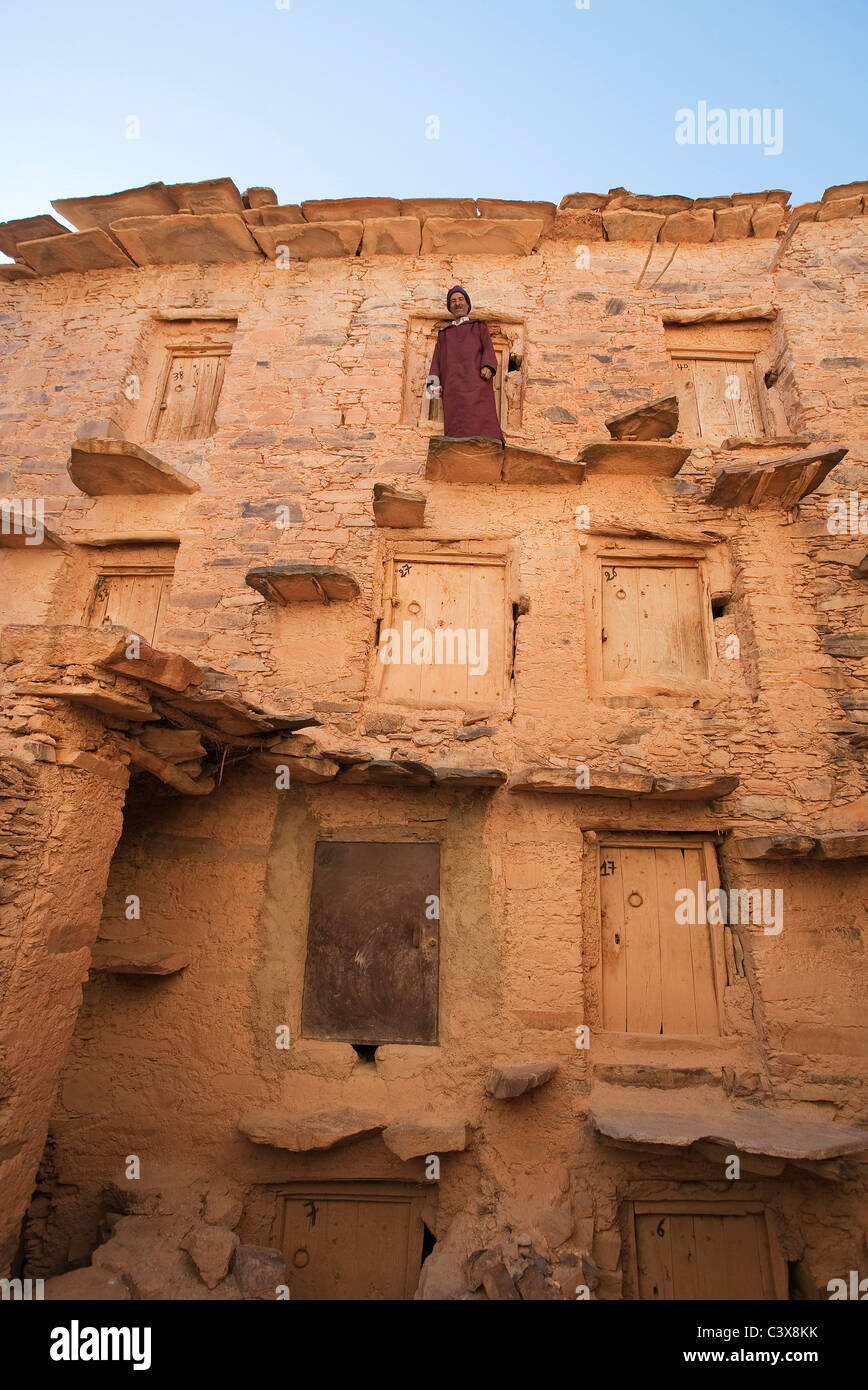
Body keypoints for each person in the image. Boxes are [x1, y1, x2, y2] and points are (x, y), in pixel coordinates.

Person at [426, 286, 504, 444]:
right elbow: (436, 360)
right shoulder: (444, 335)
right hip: (453, 388)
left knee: (481, 418)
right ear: (450, 307)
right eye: (453, 301)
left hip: (476, 383)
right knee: (457, 426)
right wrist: (433, 387)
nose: (457, 303)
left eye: (461, 299)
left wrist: (488, 366)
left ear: (468, 304)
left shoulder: (479, 327)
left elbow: (488, 349)